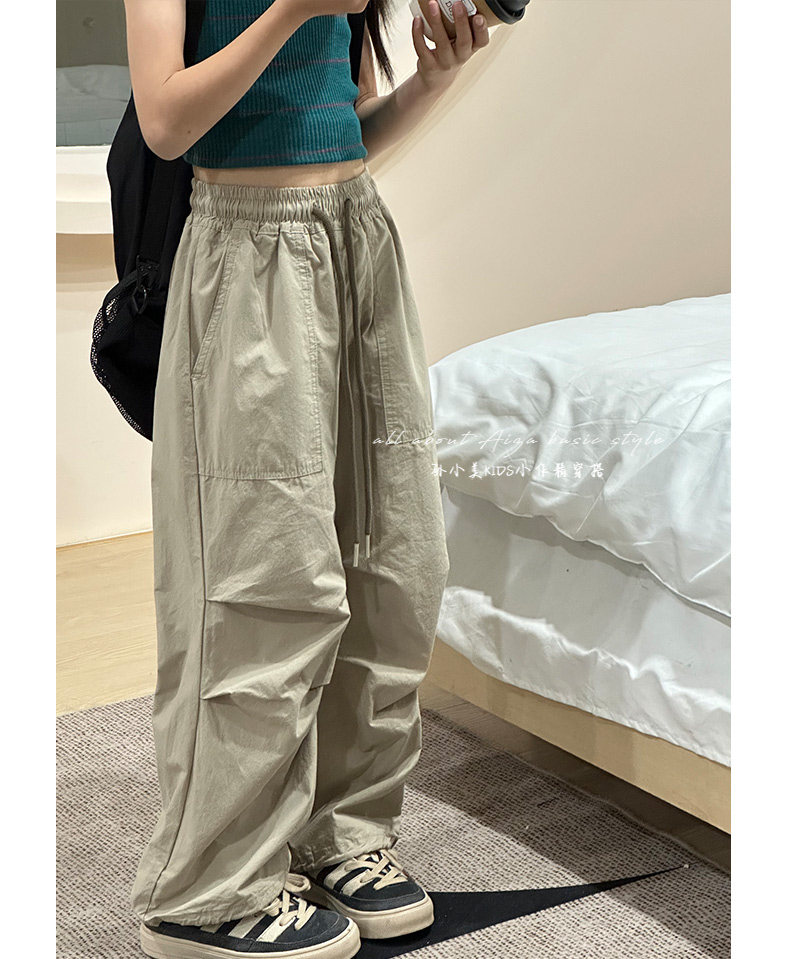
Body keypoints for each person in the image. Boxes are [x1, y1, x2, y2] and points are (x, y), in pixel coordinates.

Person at [123, 1, 490, 956]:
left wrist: (435, 77)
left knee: (394, 562)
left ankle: (341, 833)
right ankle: (208, 889)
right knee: (266, 581)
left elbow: (338, 126)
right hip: (246, 252)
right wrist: (293, 7)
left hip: (355, 234)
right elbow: (166, 120)